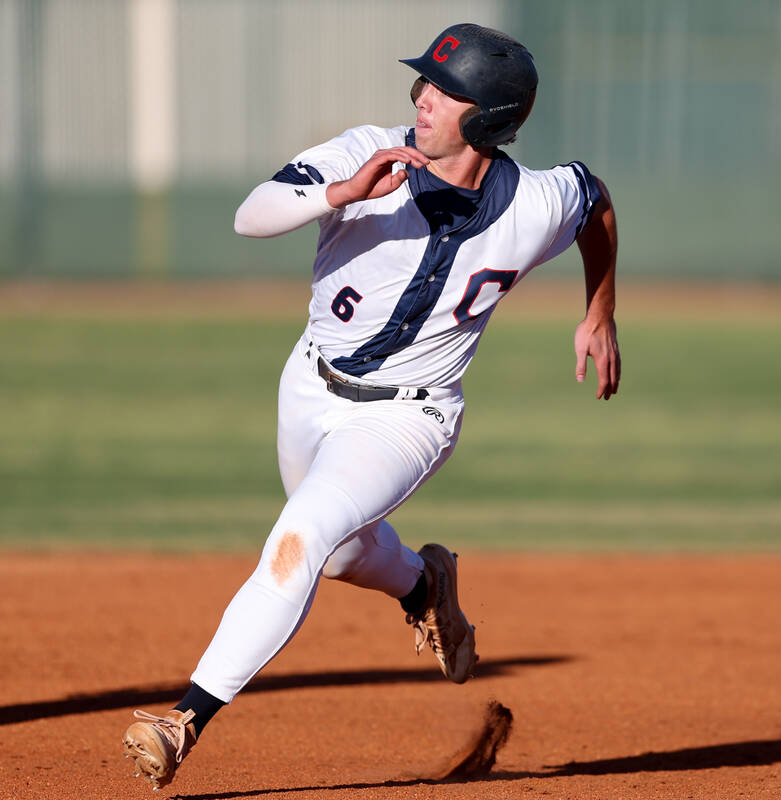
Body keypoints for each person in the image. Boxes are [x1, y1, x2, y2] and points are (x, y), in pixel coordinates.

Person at [120, 22, 620, 791]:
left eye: (446, 91)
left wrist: (599, 311)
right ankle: (425, 586)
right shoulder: (367, 150)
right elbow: (251, 213)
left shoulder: (538, 200)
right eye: (424, 81)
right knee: (347, 553)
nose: (423, 96)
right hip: (309, 384)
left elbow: (595, 204)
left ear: (488, 119)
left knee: (303, 536)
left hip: (408, 418)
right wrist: (343, 193)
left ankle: (182, 719)